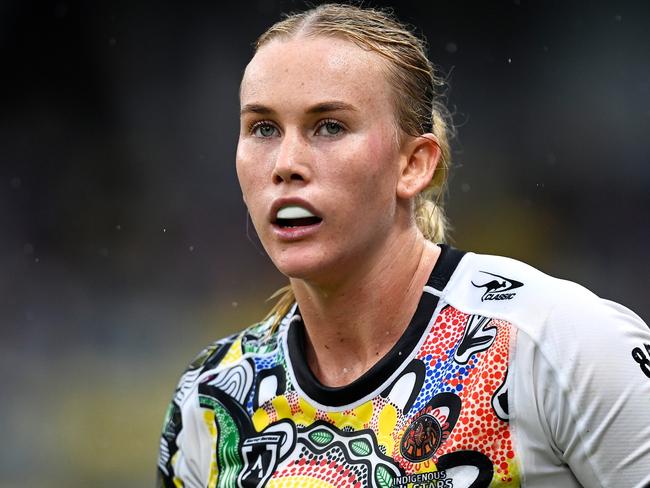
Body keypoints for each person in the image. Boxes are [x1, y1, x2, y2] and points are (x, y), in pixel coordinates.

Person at [156, 4, 650, 487]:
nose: (286, 162)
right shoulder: (211, 400)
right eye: (263, 128)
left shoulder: (555, 346)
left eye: (330, 126)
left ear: (414, 165)